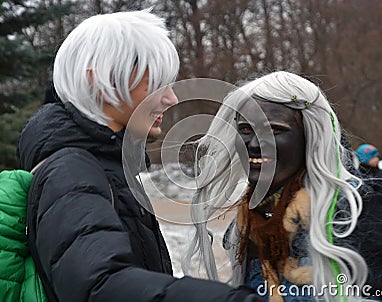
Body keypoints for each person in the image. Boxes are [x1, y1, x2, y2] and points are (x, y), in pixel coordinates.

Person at [17, 10, 261, 302]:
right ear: (99, 82)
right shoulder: (72, 170)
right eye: (156, 84)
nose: (171, 98)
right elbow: (99, 285)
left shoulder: (100, 163)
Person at [183, 71, 382, 301]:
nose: (256, 144)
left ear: (310, 136)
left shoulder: (361, 213)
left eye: (274, 130)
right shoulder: (250, 220)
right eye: (246, 130)